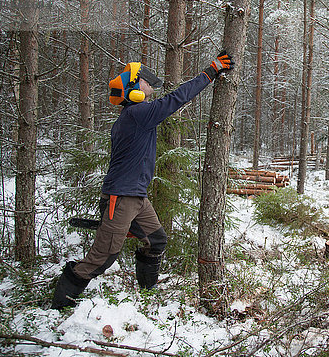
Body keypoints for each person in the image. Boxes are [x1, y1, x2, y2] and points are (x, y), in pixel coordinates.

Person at [51, 51, 234, 310]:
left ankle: (147, 294)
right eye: (147, 83)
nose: (151, 87)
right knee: (102, 258)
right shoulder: (137, 113)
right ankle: (62, 302)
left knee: (156, 240)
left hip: (136, 197)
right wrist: (210, 72)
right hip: (121, 197)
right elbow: (177, 99)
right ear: (134, 86)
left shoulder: (136, 115)